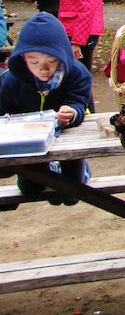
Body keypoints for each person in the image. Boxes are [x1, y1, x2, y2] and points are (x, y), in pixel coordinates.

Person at [0, 12, 93, 204]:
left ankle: (79, 170)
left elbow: (79, 102)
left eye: (51, 61)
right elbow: (3, 111)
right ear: (23, 58)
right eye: (34, 62)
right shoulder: (11, 79)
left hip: (69, 137)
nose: (43, 69)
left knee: (72, 192)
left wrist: (73, 112)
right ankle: (47, 171)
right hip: (28, 141)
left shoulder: (77, 74)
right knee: (30, 188)